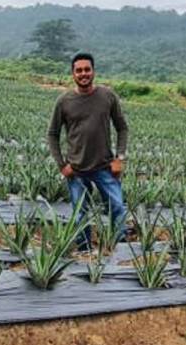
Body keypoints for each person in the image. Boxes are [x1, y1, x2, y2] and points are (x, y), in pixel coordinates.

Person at [47, 52, 128, 250]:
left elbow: (122, 128)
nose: (83, 74)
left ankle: (120, 250)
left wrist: (120, 157)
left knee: (117, 207)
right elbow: (52, 134)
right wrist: (61, 165)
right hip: (76, 169)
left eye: (87, 69)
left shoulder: (108, 96)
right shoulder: (64, 101)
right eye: (79, 70)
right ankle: (84, 252)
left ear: (93, 71)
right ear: (73, 74)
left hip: (104, 167)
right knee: (80, 213)